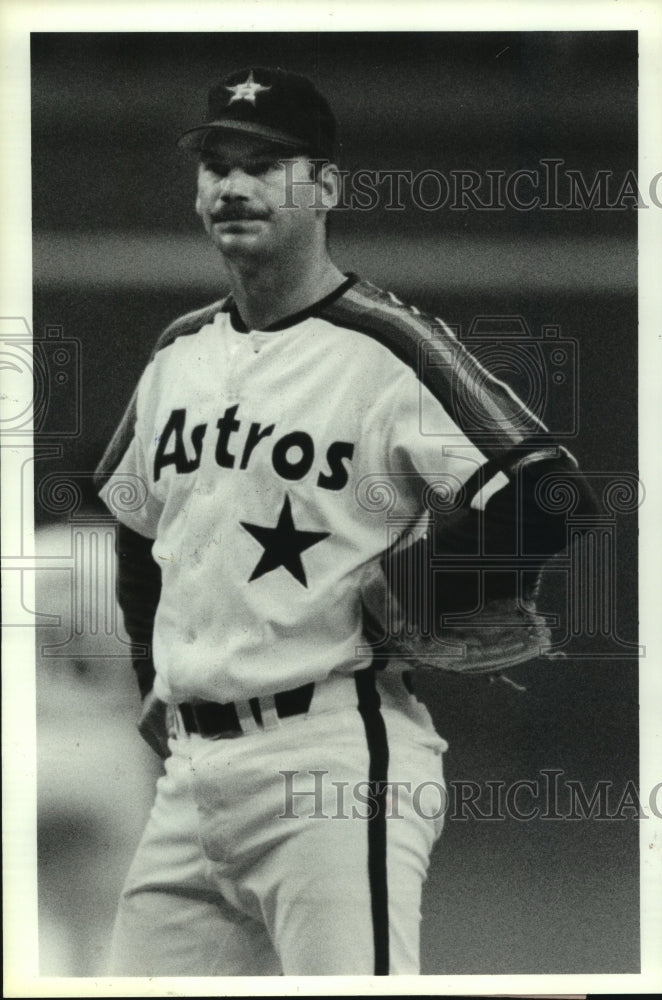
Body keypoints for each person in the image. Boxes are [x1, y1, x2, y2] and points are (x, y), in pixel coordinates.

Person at [95, 66, 591, 976]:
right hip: (187, 784)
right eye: (215, 166)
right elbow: (135, 528)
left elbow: (546, 491)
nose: (232, 187)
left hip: (329, 765)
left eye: (266, 164)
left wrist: (417, 589)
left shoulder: (386, 347)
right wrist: (147, 671)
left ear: (325, 189)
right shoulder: (178, 353)